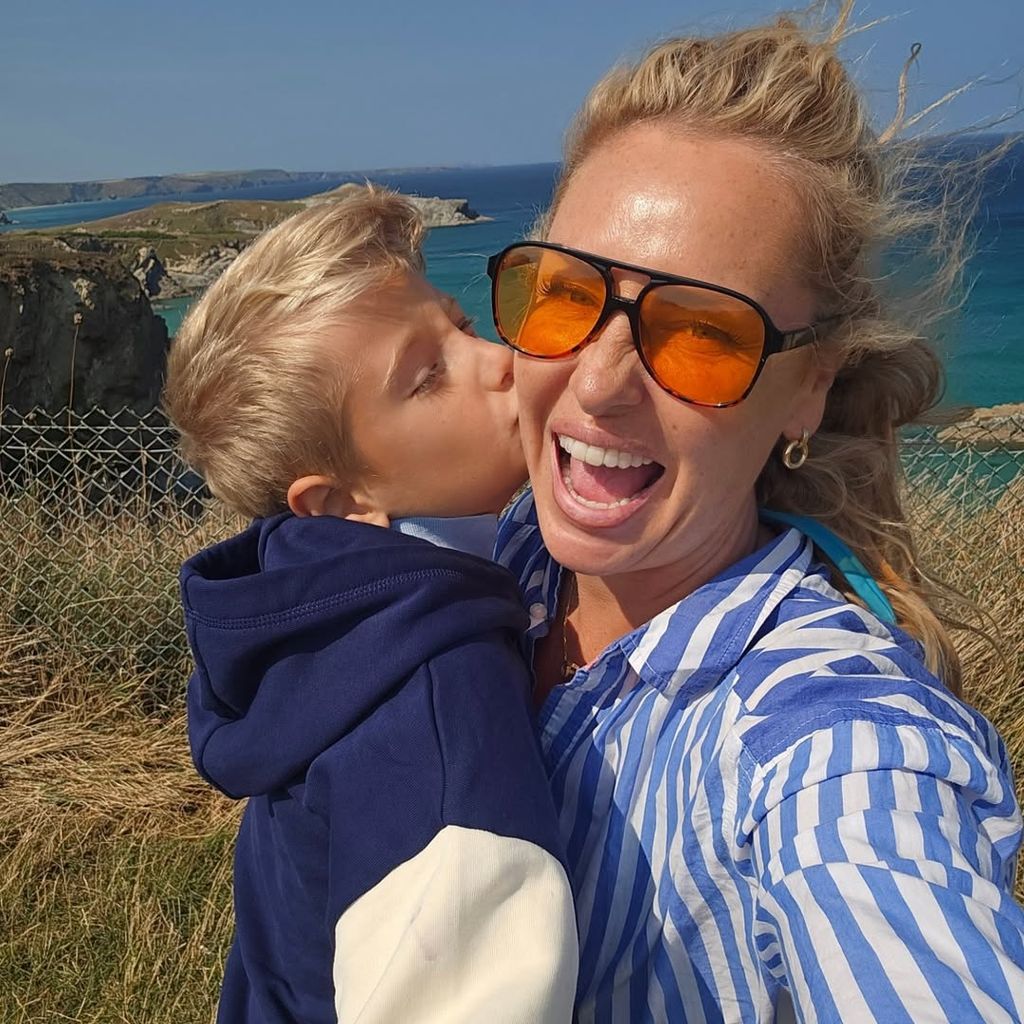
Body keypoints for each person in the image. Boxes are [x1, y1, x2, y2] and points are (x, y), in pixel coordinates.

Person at [487, 4, 1024, 1021]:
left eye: (700, 333)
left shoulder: (824, 735)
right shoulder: (506, 548)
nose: (596, 384)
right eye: (563, 295)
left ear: (810, 387)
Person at [162, 189, 577, 1024]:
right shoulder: (440, 719)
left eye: (461, 325)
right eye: (426, 378)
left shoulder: (311, 614)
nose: (497, 360)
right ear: (341, 501)